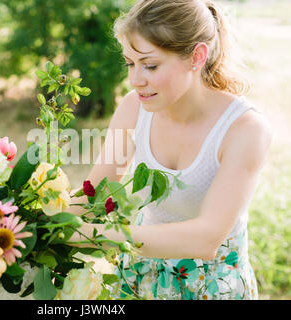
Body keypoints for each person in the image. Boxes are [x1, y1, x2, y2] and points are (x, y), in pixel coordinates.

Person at [67, 0, 272, 300]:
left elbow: (206, 238)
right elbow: (95, 190)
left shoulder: (245, 130)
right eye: (130, 64)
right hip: (141, 271)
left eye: (150, 65)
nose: (135, 80)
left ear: (197, 57)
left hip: (211, 285)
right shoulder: (133, 108)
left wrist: (94, 236)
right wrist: (40, 225)